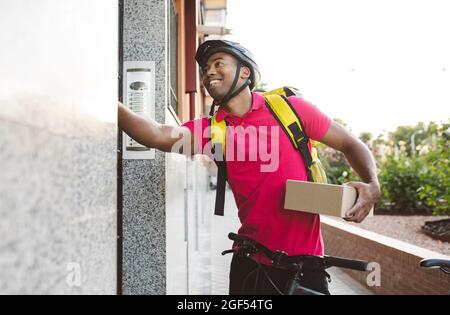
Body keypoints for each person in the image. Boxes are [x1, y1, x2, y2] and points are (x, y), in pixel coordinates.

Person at [118, 40, 381, 295]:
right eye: (205, 68)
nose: (209, 71)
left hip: (305, 265)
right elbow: (157, 134)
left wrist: (372, 183)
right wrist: (107, 103)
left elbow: (349, 143)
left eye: (218, 63)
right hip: (249, 263)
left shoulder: (290, 110)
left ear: (245, 72)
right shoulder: (214, 130)